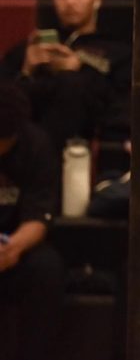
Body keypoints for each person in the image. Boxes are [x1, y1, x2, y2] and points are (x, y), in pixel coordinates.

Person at [0, 0, 131, 154]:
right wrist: (27, 70)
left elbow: (121, 109)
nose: (69, 2)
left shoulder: (117, 52)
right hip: (25, 149)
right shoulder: (31, 48)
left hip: (87, 148)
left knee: (71, 84)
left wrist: (79, 70)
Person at [0, 82, 64, 360]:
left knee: (47, 268)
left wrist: (11, 249)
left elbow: (39, 215)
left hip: (14, 246)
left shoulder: (36, 144)